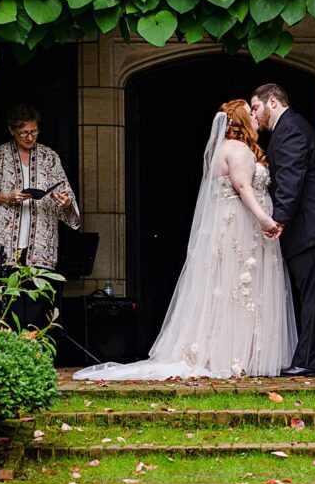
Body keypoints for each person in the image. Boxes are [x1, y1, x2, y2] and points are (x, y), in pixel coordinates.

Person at [73, 99, 296, 381]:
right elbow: (242, 187)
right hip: (243, 228)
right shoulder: (238, 150)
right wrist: (265, 218)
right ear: (240, 120)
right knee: (239, 288)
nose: (255, 117)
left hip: (231, 228)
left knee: (227, 289)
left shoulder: (218, 151)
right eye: (249, 114)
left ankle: (230, 352)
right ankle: (237, 355)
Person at [250, 84, 315, 377]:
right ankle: (312, 360)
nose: (255, 115)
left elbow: (291, 178)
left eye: (256, 107)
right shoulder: (289, 128)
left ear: (273, 101)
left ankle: (310, 362)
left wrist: (278, 219)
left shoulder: (291, 129)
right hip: (313, 230)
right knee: (314, 295)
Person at [0, 103, 80, 332]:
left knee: (36, 306)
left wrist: (65, 202)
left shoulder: (49, 157)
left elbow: (67, 195)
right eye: (24, 132)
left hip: (40, 247)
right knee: (6, 306)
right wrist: (6, 197)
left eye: (34, 131)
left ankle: (36, 358)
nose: (30, 137)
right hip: (5, 245)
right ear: (11, 130)